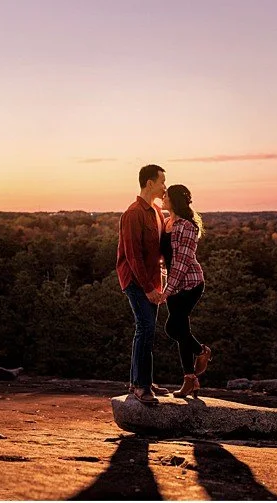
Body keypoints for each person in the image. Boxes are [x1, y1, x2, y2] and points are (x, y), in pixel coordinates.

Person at [115, 164, 170, 403]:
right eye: (162, 182)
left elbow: (159, 249)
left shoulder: (157, 212)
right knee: (145, 328)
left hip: (152, 280)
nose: (164, 186)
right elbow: (132, 255)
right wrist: (147, 288)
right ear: (150, 183)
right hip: (136, 281)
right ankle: (140, 386)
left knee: (147, 331)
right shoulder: (133, 213)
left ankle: (142, 380)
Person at [160, 184, 211, 397]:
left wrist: (167, 290)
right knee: (180, 331)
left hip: (189, 284)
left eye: (166, 195)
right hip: (173, 283)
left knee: (174, 328)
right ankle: (194, 370)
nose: (163, 197)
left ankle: (197, 360)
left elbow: (182, 261)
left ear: (174, 200)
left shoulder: (187, 226)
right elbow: (164, 257)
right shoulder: (166, 222)